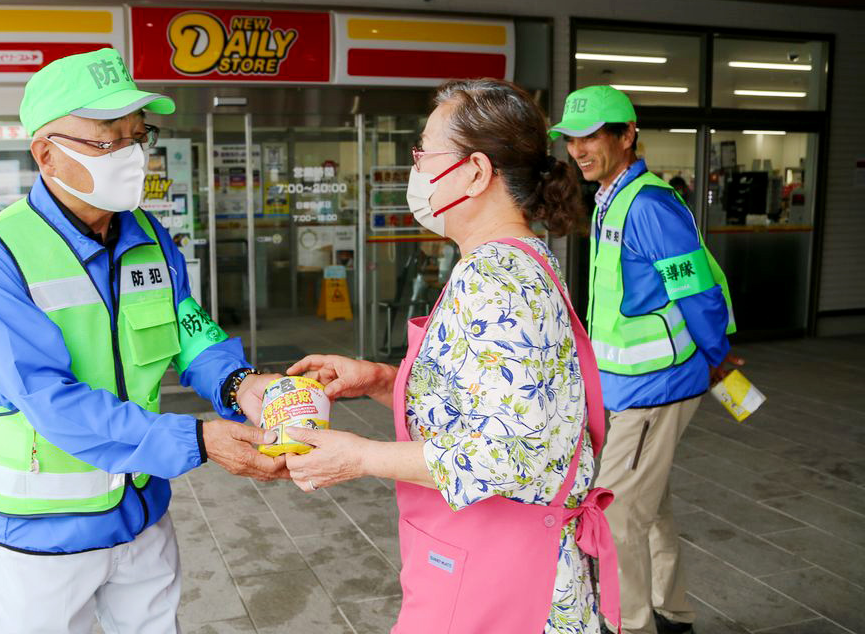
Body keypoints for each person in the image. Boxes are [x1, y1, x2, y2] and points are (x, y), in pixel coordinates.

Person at [0, 48, 288, 634]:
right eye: (107, 139)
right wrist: (198, 441)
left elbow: (188, 330)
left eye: (138, 135)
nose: (132, 154)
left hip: (141, 509)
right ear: (46, 153)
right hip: (43, 526)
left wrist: (240, 383)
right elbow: (45, 396)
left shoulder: (149, 236)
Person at [282, 79, 621, 634]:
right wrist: (380, 379)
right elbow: (487, 396)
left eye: (423, 153)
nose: (416, 169)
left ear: (476, 172)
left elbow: (505, 452)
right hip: (518, 568)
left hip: (506, 583)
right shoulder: (518, 258)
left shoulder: (492, 279)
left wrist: (359, 456)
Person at [549, 85, 738, 634]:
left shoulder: (649, 205)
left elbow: (696, 290)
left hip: (655, 389)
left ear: (627, 135)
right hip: (627, 388)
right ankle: (672, 612)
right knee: (648, 507)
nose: (579, 149)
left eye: (592, 136)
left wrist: (718, 357)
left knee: (616, 513)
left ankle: (633, 625)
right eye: (571, 139)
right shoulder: (612, 195)